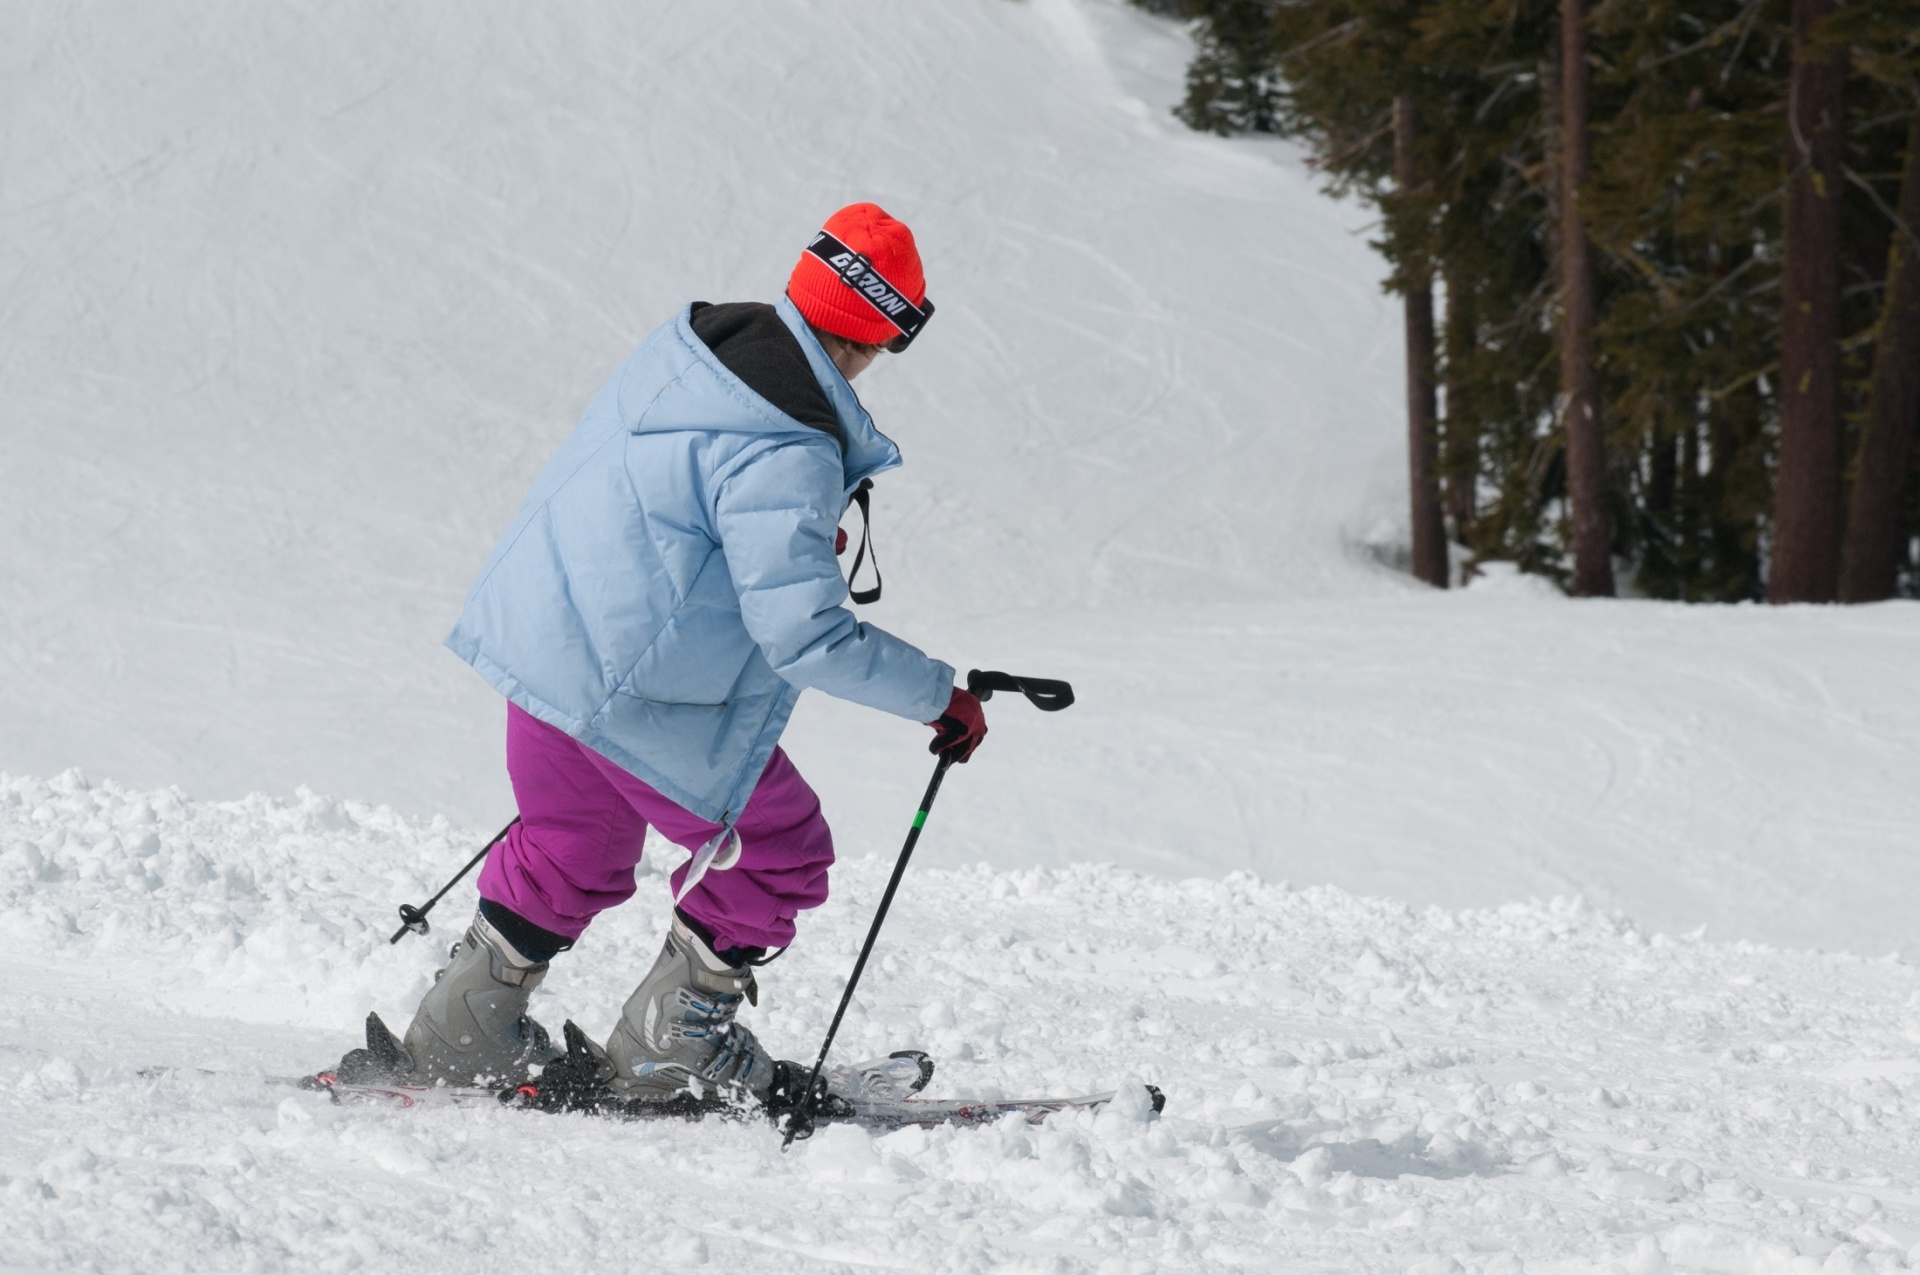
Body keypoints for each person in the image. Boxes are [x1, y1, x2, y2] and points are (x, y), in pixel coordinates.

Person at [397, 203, 988, 1101]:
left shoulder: (689, 356)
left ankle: (459, 1031)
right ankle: (670, 1048)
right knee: (778, 850)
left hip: (545, 644)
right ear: (885, 335)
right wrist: (940, 697)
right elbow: (807, 636)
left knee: (574, 844)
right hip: (633, 689)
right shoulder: (786, 440)